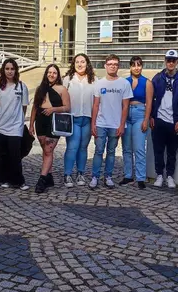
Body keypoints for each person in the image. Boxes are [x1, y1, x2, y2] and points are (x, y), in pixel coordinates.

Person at [91, 54, 132, 189]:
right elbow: (96, 105)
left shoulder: (124, 84)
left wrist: (122, 124)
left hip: (115, 124)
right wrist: (93, 123)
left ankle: (108, 176)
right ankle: (95, 177)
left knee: (111, 151)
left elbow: (125, 106)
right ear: (105, 66)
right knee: (98, 150)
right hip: (101, 123)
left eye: (115, 64)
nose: (112, 66)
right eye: (110, 64)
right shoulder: (99, 83)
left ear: (118, 66)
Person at [30, 64, 70, 193]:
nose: (51, 75)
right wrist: (31, 125)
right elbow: (35, 107)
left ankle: (42, 179)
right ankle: (49, 176)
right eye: (49, 72)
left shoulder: (62, 89)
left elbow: (67, 107)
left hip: (54, 120)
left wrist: (53, 109)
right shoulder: (40, 88)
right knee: (45, 149)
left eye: (54, 73)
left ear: (57, 75)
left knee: (48, 149)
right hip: (40, 120)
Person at [150, 50, 178, 188]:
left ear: (177, 62)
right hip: (159, 119)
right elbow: (151, 98)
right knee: (158, 150)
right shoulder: (157, 78)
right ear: (165, 61)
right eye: (168, 60)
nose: (171, 63)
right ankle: (159, 174)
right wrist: (151, 116)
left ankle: (170, 176)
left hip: (174, 120)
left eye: (173, 60)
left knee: (172, 151)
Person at [0, 59, 29, 190]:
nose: (10, 71)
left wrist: (19, 119)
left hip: (15, 126)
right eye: (7, 69)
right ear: (3, 70)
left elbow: (24, 106)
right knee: (1, 155)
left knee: (15, 155)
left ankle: (18, 181)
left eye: (12, 69)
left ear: (16, 70)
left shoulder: (22, 87)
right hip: (0, 125)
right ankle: (3, 179)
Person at [63, 54, 95, 187]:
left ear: (87, 63)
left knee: (83, 147)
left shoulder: (93, 80)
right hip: (73, 118)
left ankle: (80, 173)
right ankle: (67, 174)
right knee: (72, 147)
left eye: (82, 62)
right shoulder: (68, 79)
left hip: (87, 118)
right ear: (73, 64)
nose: (80, 64)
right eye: (77, 62)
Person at [121, 56, 153, 189]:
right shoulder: (124, 82)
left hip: (140, 113)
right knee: (126, 148)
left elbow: (149, 103)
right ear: (130, 67)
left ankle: (140, 177)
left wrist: (146, 119)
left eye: (139, 65)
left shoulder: (147, 83)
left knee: (139, 147)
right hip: (126, 114)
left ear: (142, 66)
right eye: (134, 65)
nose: (136, 68)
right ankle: (128, 175)